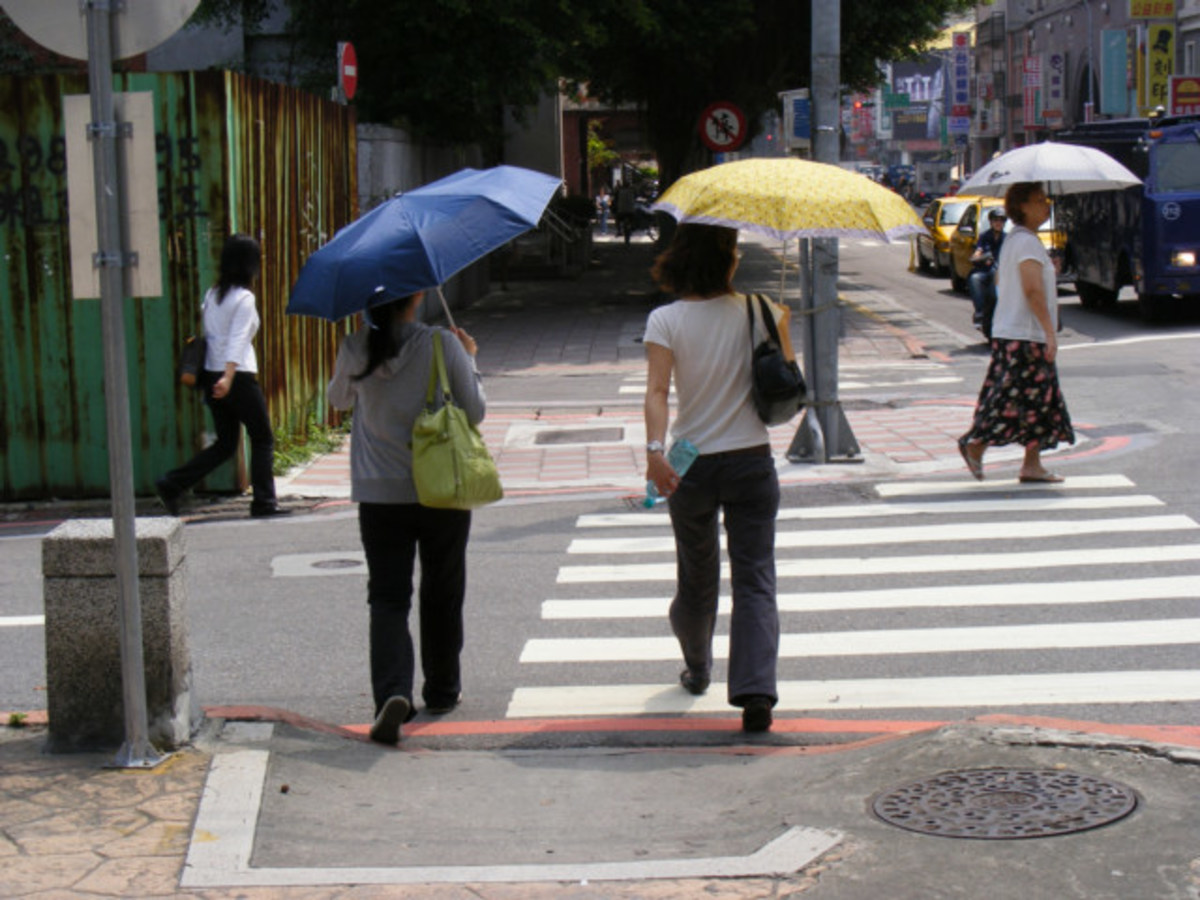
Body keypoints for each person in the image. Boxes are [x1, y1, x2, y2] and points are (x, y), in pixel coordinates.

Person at [642, 224, 788, 733]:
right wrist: (779, 320)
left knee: (696, 576)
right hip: (751, 458)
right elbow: (787, 379)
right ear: (727, 260)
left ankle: (698, 667)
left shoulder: (666, 319)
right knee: (755, 577)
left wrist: (655, 452)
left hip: (690, 463)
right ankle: (755, 693)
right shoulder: (761, 310)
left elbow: (658, 392)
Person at [327, 292, 484, 745]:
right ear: (416, 296)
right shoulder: (442, 344)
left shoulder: (355, 346)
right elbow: (474, 411)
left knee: (388, 596)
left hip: (379, 492)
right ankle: (441, 689)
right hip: (442, 488)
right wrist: (470, 358)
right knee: (443, 586)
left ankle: (392, 692)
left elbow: (338, 400)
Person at [156, 234, 288, 518]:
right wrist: (228, 378)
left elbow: (212, 337)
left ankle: (172, 483)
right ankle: (264, 502)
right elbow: (238, 339)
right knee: (262, 437)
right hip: (236, 375)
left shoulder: (212, 295)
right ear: (249, 264)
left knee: (227, 443)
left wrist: (219, 377)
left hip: (211, 373)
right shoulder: (244, 298)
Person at [958, 182, 1074, 484]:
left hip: (1015, 331)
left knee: (1040, 400)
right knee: (1012, 398)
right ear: (1022, 206)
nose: (1045, 205)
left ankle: (1031, 464)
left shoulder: (1018, 241)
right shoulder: (1025, 243)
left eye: (1045, 199)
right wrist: (1050, 333)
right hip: (1025, 336)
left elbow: (1004, 279)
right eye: (1038, 200)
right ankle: (976, 444)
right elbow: (1032, 290)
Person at [968, 207, 1007, 333]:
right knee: (974, 278)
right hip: (986, 271)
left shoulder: (1007, 238)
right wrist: (980, 257)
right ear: (991, 222)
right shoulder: (984, 237)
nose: (998, 223)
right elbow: (977, 252)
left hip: (1003, 273)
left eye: (1001, 220)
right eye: (996, 220)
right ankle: (979, 312)